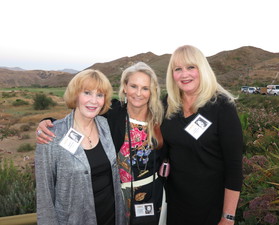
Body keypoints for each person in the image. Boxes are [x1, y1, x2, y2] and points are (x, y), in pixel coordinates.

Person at [36, 62, 166, 225]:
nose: (138, 93)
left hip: (151, 196)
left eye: (145, 88)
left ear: (152, 90)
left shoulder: (161, 117)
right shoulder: (112, 115)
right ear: (125, 87)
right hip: (118, 199)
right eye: (133, 86)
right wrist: (48, 123)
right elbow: (82, 114)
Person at [160, 45, 243, 225]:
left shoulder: (222, 106)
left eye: (191, 67)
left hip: (211, 207)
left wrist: (228, 217)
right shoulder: (167, 105)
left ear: (202, 69)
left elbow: (234, 166)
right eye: (178, 69)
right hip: (174, 204)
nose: (184, 74)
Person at [35, 69, 125, 225]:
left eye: (99, 95)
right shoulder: (52, 136)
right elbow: (45, 195)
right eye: (87, 93)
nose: (94, 101)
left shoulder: (105, 126)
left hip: (111, 215)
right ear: (75, 95)